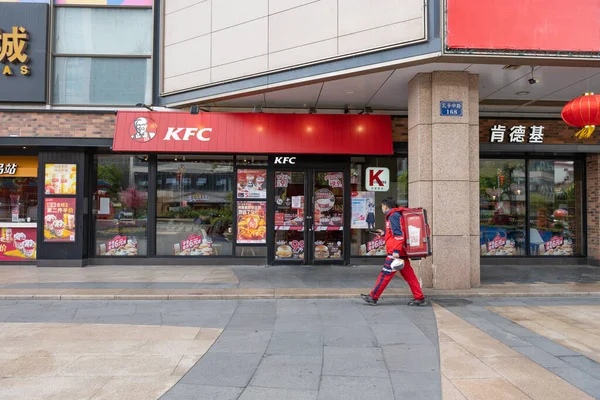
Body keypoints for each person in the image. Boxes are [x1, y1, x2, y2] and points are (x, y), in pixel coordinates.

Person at [361, 197, 427, 306]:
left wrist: (395, 252)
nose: (381, 208)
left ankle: (373, 297)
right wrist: (383, 234)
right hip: (401, 253)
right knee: (410, 276)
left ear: (386, 206)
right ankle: (419, 297)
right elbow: (394, 233)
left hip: (395, 253)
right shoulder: (393, 216)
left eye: (382, 206)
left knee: (385, 274)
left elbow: (399, 235)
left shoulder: (393, 216)